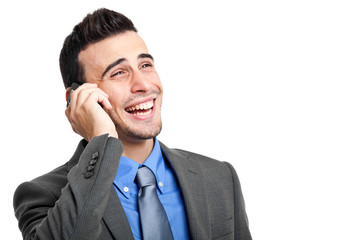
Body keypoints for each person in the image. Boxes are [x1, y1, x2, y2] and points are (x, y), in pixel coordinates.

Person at [13, 8, 252, 240]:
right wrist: (101, 140)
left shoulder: (219, 177)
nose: (144, 85)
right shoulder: (42, 196)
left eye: (145, 65)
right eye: (118, 73)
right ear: (78, 96)